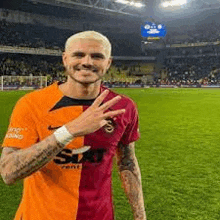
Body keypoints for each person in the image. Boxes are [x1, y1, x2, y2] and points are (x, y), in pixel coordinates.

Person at [0, 31, 146, 220]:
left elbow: (127, 163)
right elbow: (8, 172)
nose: (87, 62)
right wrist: (68, 132)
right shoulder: (31, 104)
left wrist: (140, 216)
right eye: (78, 55)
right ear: (65, 59)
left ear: (108, 63)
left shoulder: (124, 106)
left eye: (97, 56)